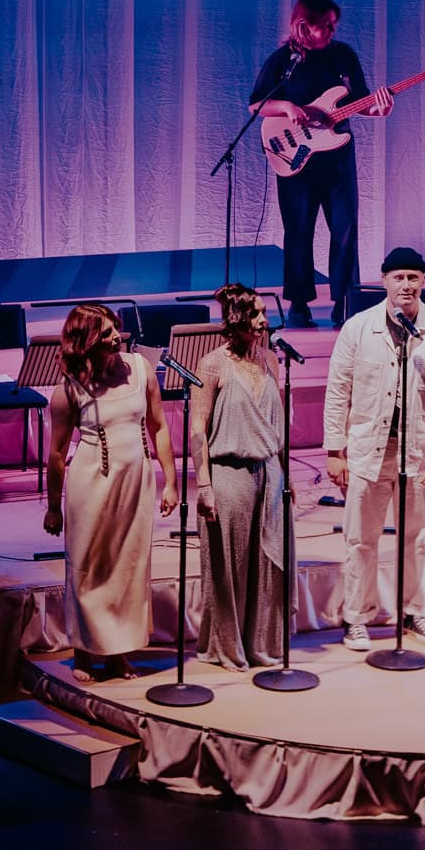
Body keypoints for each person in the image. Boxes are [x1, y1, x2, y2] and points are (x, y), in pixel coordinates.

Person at [323, 246, 425, 651]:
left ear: (424, 281)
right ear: (384, 280)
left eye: (413, 277)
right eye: (399, 277)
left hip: (419, 454)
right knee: (360, 538)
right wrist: (334, 450)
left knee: (417, 538)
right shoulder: (358, 328)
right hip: (368, 451)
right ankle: (356, 617)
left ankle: (413, 610)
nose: (406, 284)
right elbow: (338, 391)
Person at [42, 303, 180, 683]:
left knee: (128, 565)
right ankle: (84, 651)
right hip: (90, 484)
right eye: (105, 333)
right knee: (87, 565)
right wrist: (53, 507)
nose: (116, 336)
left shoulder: (140, 368)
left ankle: (119, 652)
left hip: (135, 481)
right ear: (85, 341)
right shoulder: (69, 389)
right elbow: (56, 455)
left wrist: (170, 481)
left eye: (115, 329)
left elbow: (159, 427)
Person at [248, 0, 394, 327]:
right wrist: (287, 107)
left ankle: (345, 302)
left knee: (345, 229)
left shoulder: (343, 56)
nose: (331, 31)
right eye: (325, 25)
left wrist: (380, 109)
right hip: (296, 159)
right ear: (304, 26)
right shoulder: (284, 61)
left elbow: (361, 102)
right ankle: (299, 304)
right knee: (298, 231)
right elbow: (256, 104)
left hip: (338, 159)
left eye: (333, 24)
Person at [189, 284, 288, 671]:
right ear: (236, 319)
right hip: (229, 472)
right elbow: (198, 428)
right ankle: (224, 647)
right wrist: (203, 484)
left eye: (264, 312)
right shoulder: (212, 364)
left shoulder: (271, 359)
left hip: (270, 471)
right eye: (256, 313)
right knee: (229, 566)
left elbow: (277, 423)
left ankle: (260, 643)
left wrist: (287, 476)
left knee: (267, 563)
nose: (264, 320)